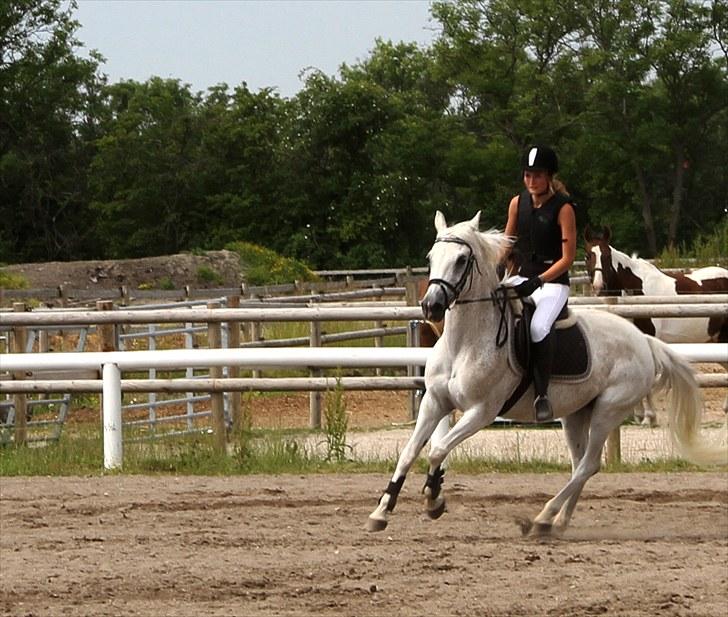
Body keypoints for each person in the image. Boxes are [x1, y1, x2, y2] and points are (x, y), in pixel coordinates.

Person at [499, 144, 577, 422]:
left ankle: (542, 393)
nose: (532, 181)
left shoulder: (564, 208)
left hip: (553, 283)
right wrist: (496, 267)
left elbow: (568, 258)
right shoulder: (516, 204)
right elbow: (506, 244)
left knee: (538, 327)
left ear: (549, 176)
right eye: (528, 175)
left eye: (538, 176)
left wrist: (539, 281)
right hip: (521, 275)